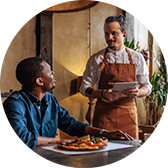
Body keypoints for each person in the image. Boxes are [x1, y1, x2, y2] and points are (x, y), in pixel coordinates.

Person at [3, 57, 133, 148]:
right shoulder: (14, 103)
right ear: (40, 81)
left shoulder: (50, 100)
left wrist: (104, 133)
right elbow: (21, 138)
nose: (53, 73)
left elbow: (71, 125)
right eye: (49, 71)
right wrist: (60, 141)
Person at [80, 15, 152, 139]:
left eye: (114, 33)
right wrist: (102, 93)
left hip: (128, 116)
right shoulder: (96, 58)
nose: (109, 38)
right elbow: (84, 88)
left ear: (124, 33)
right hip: (103, 116)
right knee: (101, 155)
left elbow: (147, 86)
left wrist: (138, 92)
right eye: (106, 34)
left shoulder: (137, 58)